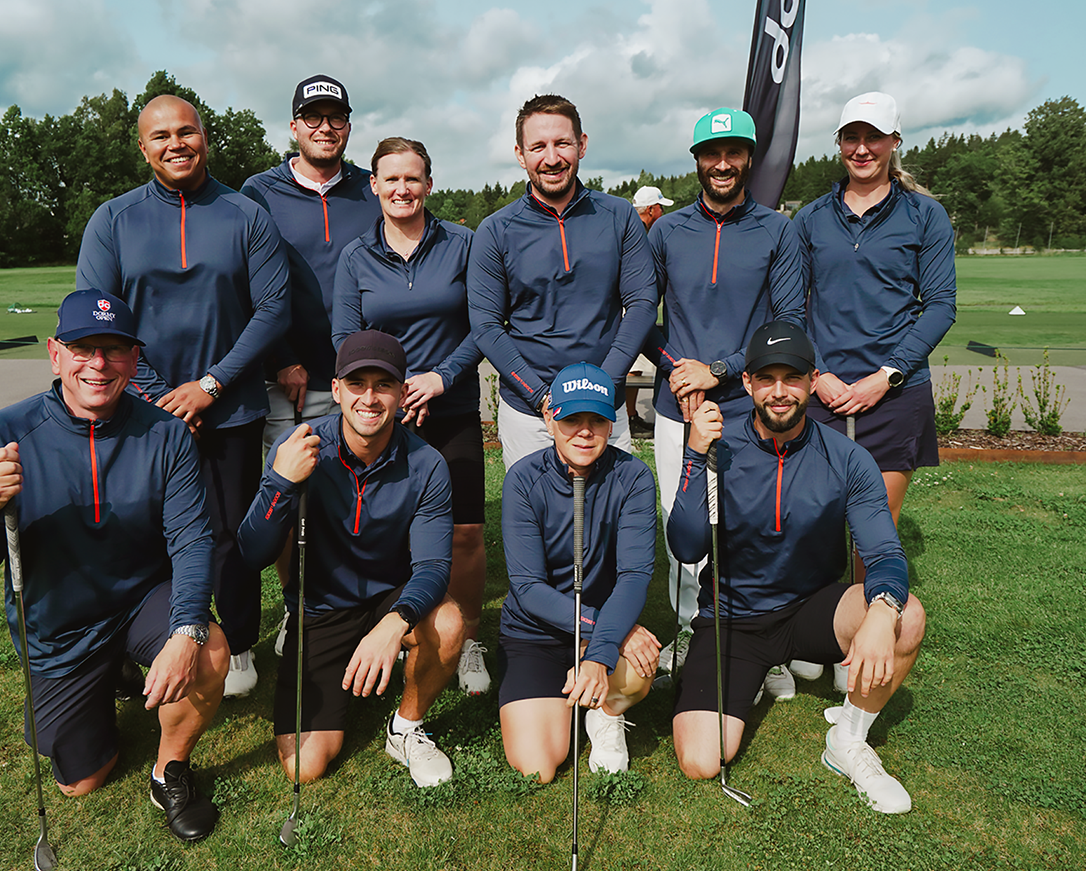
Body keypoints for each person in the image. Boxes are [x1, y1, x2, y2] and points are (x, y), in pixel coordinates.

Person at [0, 290, 229, 841]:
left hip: (142, 600)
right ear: (55, 355)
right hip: (61, 627)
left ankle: (168, 771)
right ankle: (107, 678)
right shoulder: (2, 433)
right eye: (83, 348)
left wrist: (187, 630)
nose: (99, 363)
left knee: (209, 648)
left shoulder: (166, 433)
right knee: (82, 781)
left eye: (114, 349)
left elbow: (193, 539)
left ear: (133, 360)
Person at [76, 93, 290, 701]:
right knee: (138, 532)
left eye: (186, 131)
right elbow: (96, 316)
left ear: (204, 137)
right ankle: (137, 644)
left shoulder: (245, 214)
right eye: (161, 135)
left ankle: (239, 642)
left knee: (229, 535)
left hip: (230, 408)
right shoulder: (113, 220)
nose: (176, 143)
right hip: (137, 412)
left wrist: (209, 386)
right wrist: (158, 397)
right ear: (143, 147)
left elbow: (272, 310)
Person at [668, 321, 926, 814]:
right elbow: (684, 545)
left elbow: (885, 553)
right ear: (747, 382)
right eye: (766, 378)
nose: (780, 392)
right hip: (734, 618)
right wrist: (695, 456)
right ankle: (750, 677)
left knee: (906, 616)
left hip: (811, 609)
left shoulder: (848, 457)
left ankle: (847, 741)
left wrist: (881, 612)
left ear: (812, 380)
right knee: (701, 760)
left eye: (792, 378)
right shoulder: (718, 444)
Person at [237, 330, 466, 787]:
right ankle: (309, 632)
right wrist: (281, 483)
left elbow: (434, 568)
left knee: (448, 622)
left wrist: (394, 624)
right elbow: (251, 552)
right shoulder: (297, 447)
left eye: (384, 385)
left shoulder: (427, 463)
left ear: (402, 393)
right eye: (357, 383)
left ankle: (406, 727)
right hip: (320, 606)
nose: (370, 398)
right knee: (304, 767)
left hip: (390, 596)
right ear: (336, 390)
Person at [792, 91, 955, 691]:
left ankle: (864, 638)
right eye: (851, 137)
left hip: (895, 395)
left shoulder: (925, 216)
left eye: (874, 137)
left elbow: (940, 307)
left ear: (894, 142)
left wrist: (885, 376)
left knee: (873, 527)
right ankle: (813, 632)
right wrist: (818, 374)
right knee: (811, 522)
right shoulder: (811, 218)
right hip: (824, 391)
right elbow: (791, 305)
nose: (862, 149)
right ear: (839, 143)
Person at [644, 109, 805, 690]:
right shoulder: (666, 231)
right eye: (711, 153)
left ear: (749, 159)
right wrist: (680, 372)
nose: (722, 163)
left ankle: (762, 641)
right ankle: (692, 630)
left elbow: (788, 322)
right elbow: (639, 318)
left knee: (752, 528)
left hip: (751, 407)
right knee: (682, 526)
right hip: (679, 408)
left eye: (733, 152)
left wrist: (718, 371)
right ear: (697, 161)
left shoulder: (777, 230)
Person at [332, 137, 490, 695]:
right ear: (374, 185)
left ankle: (468, 637)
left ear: (429, 184)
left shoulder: (465, 245)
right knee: (390, 530)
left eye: (412, 178)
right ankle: (394, 626)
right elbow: (345, 337)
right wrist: (389, 392)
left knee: (464, 533)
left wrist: (443, 375)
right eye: (391, 179)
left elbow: (485, 324)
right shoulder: (355, 256)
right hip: (385, 414)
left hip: (452, 407)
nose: (402, 189)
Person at [468, 93, 659, 469]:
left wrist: (604, 386)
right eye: (538, 146)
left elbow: (642, 304)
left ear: (582, 145)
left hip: (606, 407)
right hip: (530, 413)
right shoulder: (495, 230)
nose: (552, 158)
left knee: (610, 507)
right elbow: (486, 326)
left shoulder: (619, 215)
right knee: (536, 508)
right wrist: (541, 397)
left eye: (562, 143)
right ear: (520, 154)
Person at [498, 364, 659, 781]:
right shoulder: (522, 479)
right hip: (535, 632)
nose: (585, 432)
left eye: (597, 420)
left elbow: (634, 575)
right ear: (551, 419)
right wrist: (608, 628)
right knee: (537, 766)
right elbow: (527, 588)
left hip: (600, 633)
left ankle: (606, 713)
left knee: (638, 670)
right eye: (572, 419)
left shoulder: (634, 477)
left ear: (611, 424)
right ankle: (571, 689)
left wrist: (600, 652)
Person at [242, 75, 382, 446]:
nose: (325, 128)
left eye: (336, 118)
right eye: (313, 117)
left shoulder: (373, 189)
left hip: (364, 377)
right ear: (294, 127)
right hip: (291, 382)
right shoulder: (258, 192)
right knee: (294, 478)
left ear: (348, 127)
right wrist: (281, 359)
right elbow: (248, 285)